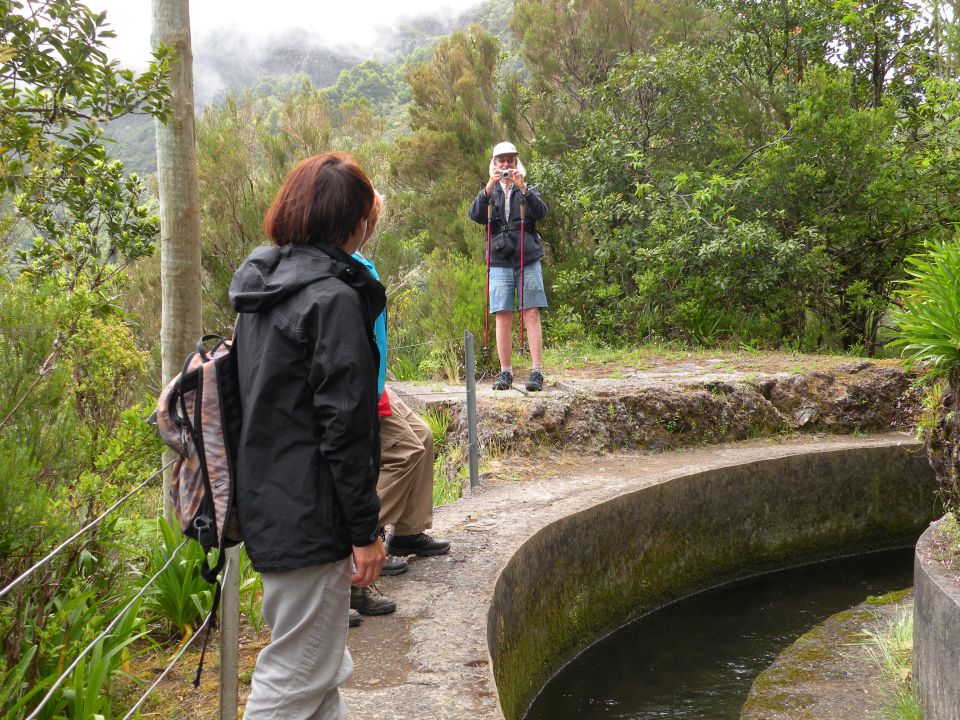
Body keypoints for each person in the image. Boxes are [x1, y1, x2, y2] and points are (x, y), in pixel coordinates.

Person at [230, 152, 387, 719]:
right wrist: (365, 532)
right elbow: (344, 430)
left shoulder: (264, 290)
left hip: (273, 505)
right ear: (351, 221)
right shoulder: (333, 300)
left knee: (317, 676)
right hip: (312, 517)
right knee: (292, 679)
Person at [348, 197, 450, 619]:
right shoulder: (344, 270)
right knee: (406, 450)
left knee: (422, 436)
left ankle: (407, 533)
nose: (372, 225)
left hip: (375, 385)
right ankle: (365, 547)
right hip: (362, 393)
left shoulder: (359, 262)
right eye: (369, 219)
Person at [468, 141, 549, 392]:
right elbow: (474, 215)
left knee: (531, 313)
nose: (506, 165)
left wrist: (522, 187)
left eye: (510, 160)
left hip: (527, 258)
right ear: (494, 163)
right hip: (500, 260)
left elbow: (541, 212)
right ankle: (506, 373)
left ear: (516, 162)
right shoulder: (488, 192)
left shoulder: (526, 189)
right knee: (502, 314)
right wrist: (488, 186)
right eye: (501, 160)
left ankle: (536, 372)